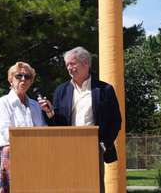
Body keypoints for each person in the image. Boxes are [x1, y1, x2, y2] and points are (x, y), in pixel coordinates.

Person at [39, 46, 121, 193]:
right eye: (67, 65)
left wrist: (104, 144)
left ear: (86, 64)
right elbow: (57, 123)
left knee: (94, 187)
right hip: (67, 147)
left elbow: (115, 121)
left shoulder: (105, 90)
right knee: (67, 186)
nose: (69, 68)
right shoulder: (61, 91)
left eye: (73, 63)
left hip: (94, 147)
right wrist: (49, 112)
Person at [0, 61, 50, 193]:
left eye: (28, 77)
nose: (23, 79)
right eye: (19, 76)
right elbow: (5, 131)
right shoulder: (3, 102)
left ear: (31, 82)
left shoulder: (35, 105)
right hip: (13, 153)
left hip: (35, 154)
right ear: (11, 80)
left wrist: (49, 112)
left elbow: (42, 130)